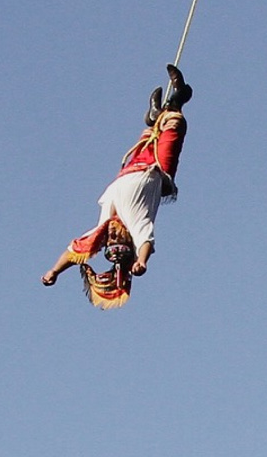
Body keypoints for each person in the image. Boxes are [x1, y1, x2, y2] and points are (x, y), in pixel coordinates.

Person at [43, 66, 192, 305]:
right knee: (173, 123)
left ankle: (155, 116)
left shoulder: (104, 226)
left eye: (110, 241)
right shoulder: (135, 225)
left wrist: (54, 271)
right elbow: (146, 243)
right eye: (116, 240)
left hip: (131, 170)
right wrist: (142, 262)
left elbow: (74, 253)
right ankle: (180, 95)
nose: (112, 236)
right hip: (157, 173)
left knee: (151, 132)